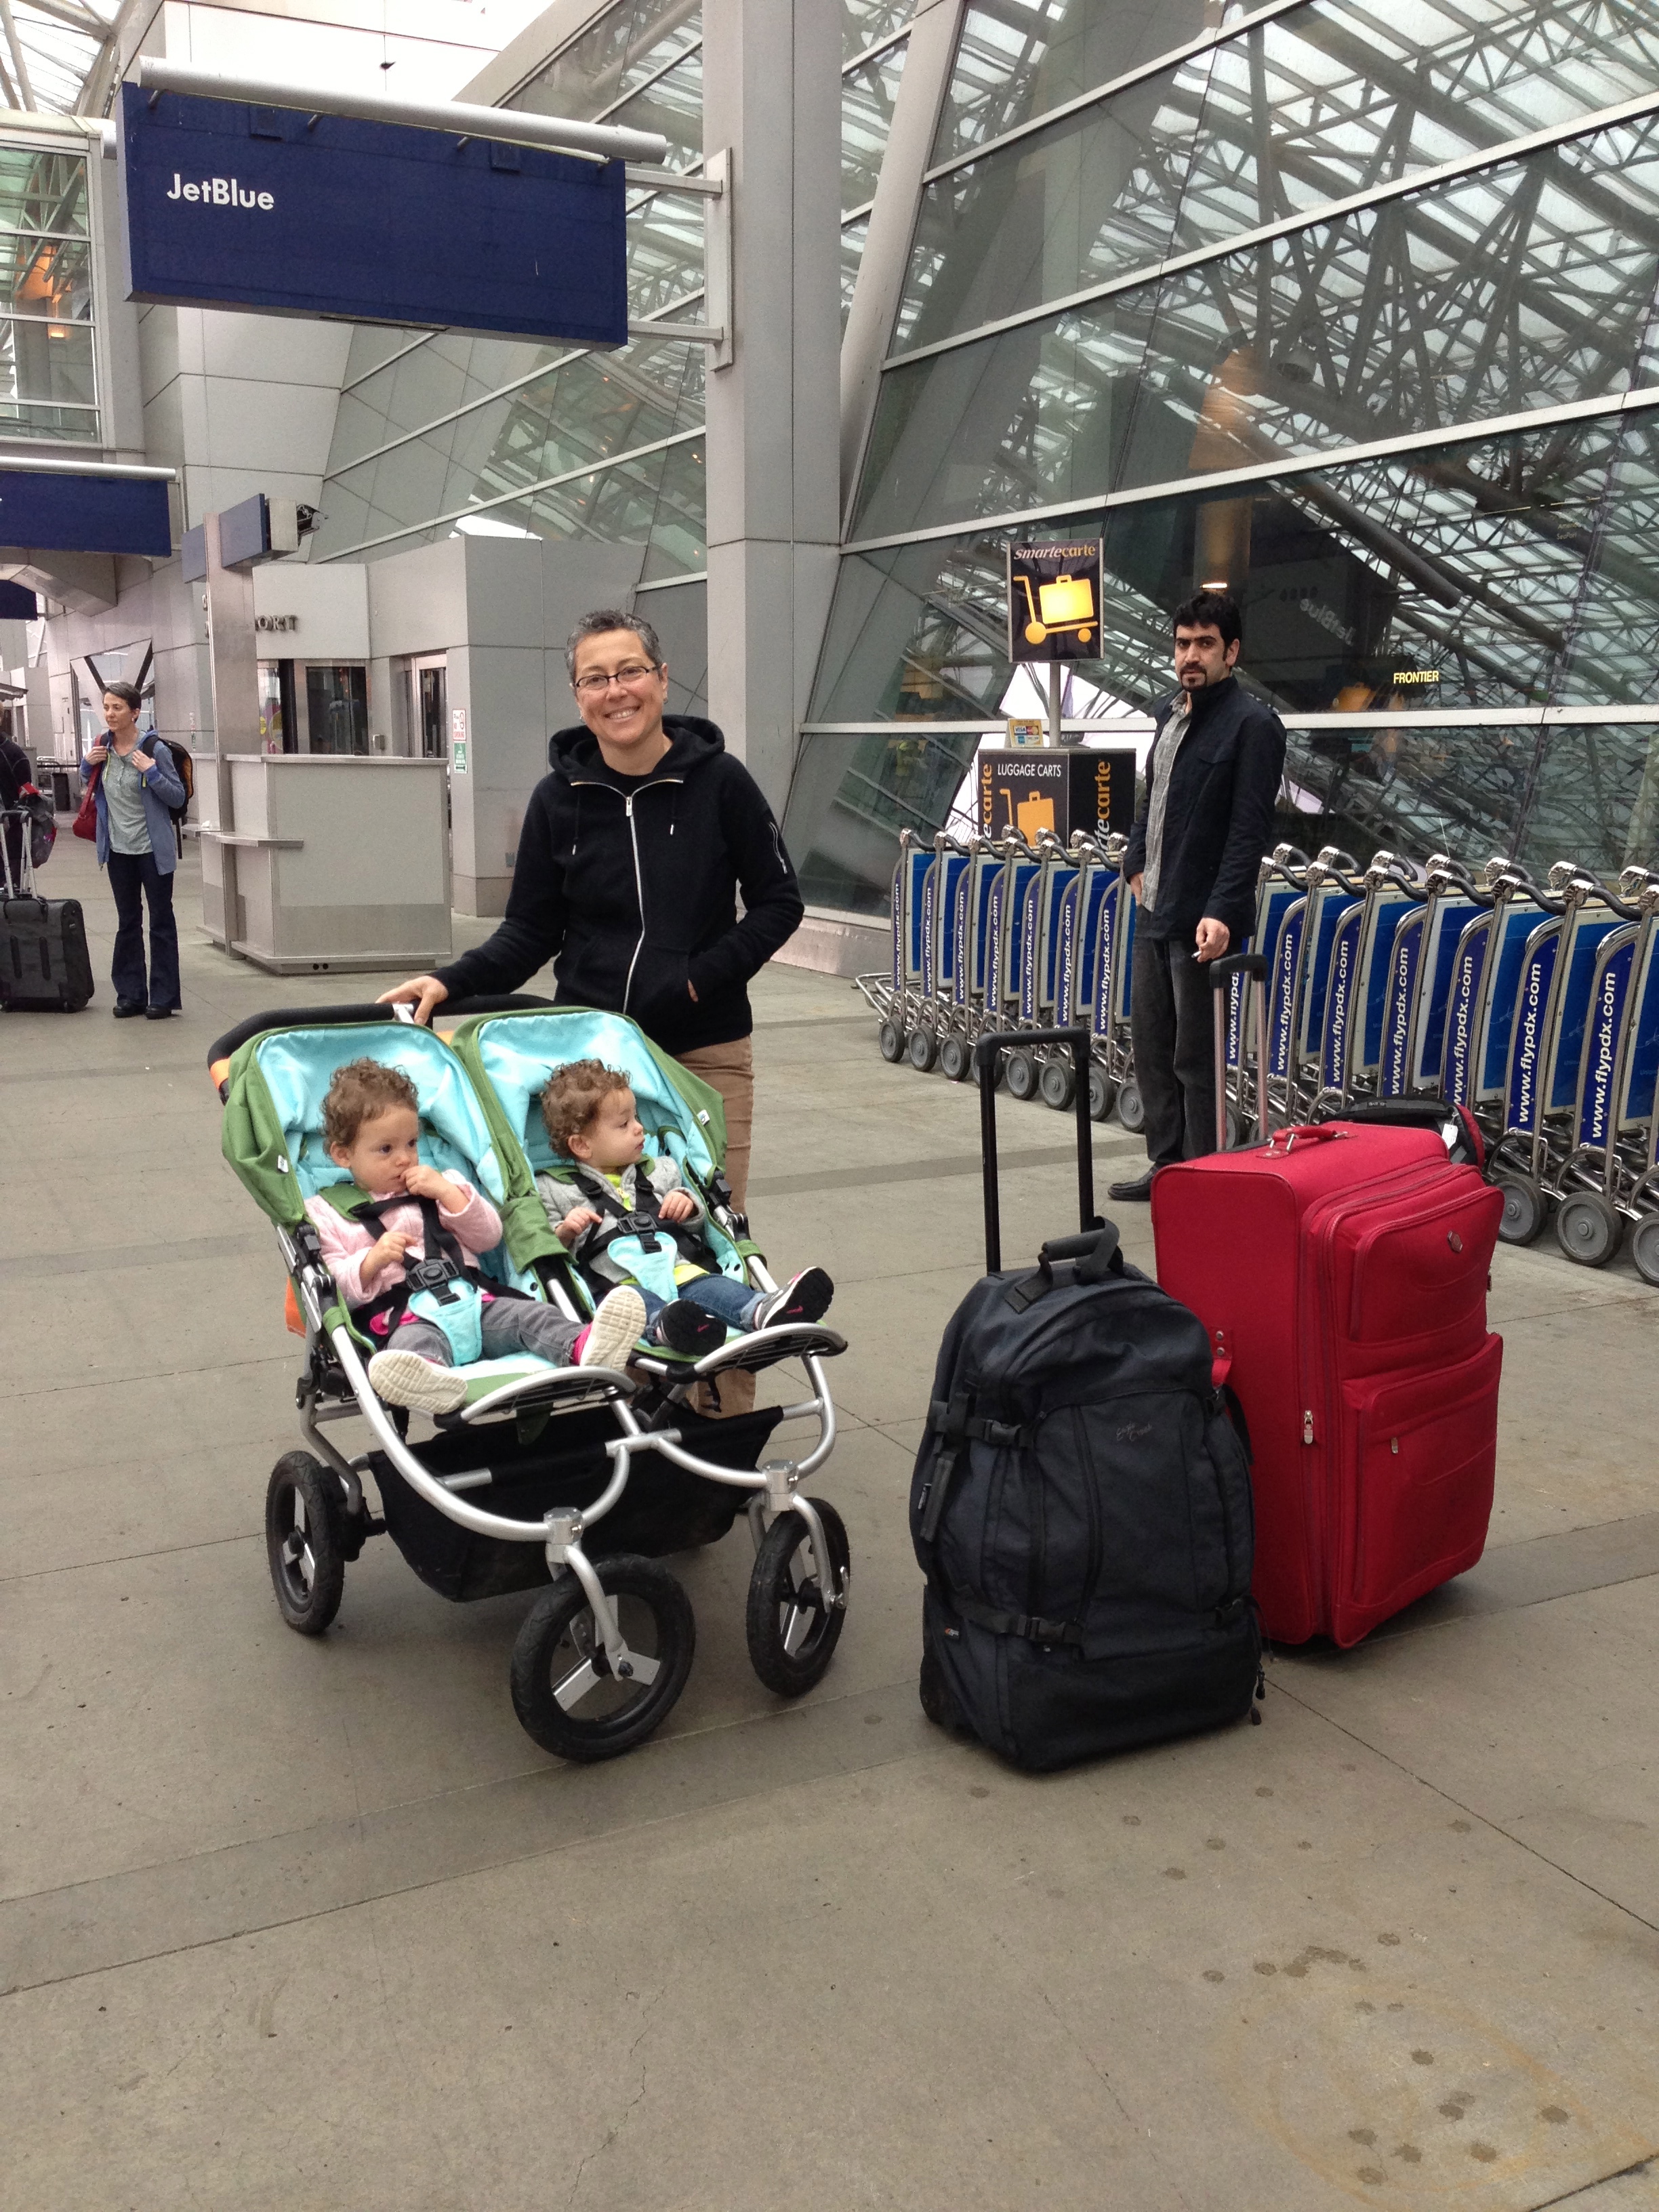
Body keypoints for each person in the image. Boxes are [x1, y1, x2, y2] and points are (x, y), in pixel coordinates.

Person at [377, 609, 804, 1228]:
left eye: (630, 672)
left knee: (714, 1224)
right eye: (596, 679)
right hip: (588, 1061)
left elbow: (780, 901)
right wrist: (451, 981)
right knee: (590, 1231)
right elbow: (530, 931)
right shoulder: (557, 800)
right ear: (579, 697)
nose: (616, 691)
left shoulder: (721, 783)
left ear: (662, 680)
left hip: (704, 1050)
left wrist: (699, 979)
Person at [305, 1058, 646, 1416]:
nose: (404, 1159)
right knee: (410, 1347)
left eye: (412, 1143)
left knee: (532, 1316)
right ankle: (432, 1380)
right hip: (406, 1318)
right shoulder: (327, 1212)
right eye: (386, 1149)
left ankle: (582, 1345)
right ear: (343, 1154)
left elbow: (489, 1237)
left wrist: (448, 1194)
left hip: (477, 1305)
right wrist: (370, 1261)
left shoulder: (444, 1184)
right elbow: (334, 1286)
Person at [1108, 592, 1286, 1202]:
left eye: (1205, 644)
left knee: (1196, 1059)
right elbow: (1151, 799)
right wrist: (1134, 861)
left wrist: (1223, 911)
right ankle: (1166, 1167)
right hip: (1154, 910)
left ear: (1231, 652)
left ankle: (1202, 1179)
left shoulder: (1253, 726)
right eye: (1183, 643)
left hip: (1203, 921)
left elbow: (1249, 831)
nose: (1191, 655)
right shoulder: (1169, 716)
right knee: (1152, 1049)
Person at [535, 1058, 833, 1355]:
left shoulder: (660, 1170)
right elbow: (547, 1249)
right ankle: (668, 1327)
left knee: (716, 1288)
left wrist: (687, 1204)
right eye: (624, 1125)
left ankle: (763, 1309)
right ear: (582, 1145)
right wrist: (566, 1231)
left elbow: (699, 1224)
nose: (639, 1129)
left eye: (637, 1118)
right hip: (617, 1288)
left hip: (680, 1272)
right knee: (633, 1308)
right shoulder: (554, 1188)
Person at [81, 682, 186, 1020]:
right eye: (106, 707)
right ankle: (131, 995)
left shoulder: (155, 749)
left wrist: (151, 772)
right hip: (118, 850)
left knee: (160, 922)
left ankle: (164, 998)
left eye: (117, 708)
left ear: (135, 712)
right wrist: (86, 766)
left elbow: (177, 797)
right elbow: (93, 788)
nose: (110, 714)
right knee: (128, 922)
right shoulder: (102, 746)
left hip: (152, 851)